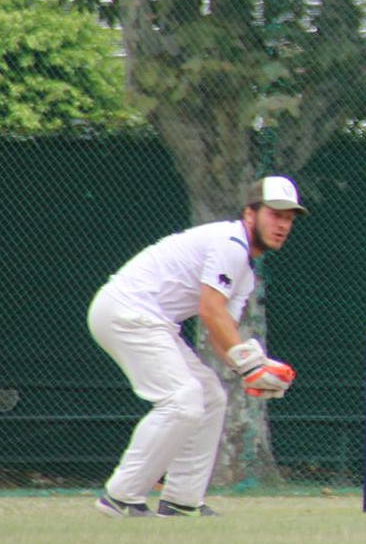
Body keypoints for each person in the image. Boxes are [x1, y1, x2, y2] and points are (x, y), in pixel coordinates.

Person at [86, 175, 306, 518]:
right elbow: (210, 310)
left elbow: (221, 329)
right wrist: (250, 366)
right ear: (250, 213)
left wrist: (254, 369)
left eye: (289, 218)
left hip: (148, 318)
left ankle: (181, 501)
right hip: (126, 310)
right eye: (275, 214)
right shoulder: (230, 242)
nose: (282, 225)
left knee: (210, 397)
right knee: (183, 399)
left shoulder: (245, 269)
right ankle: (120, 497)